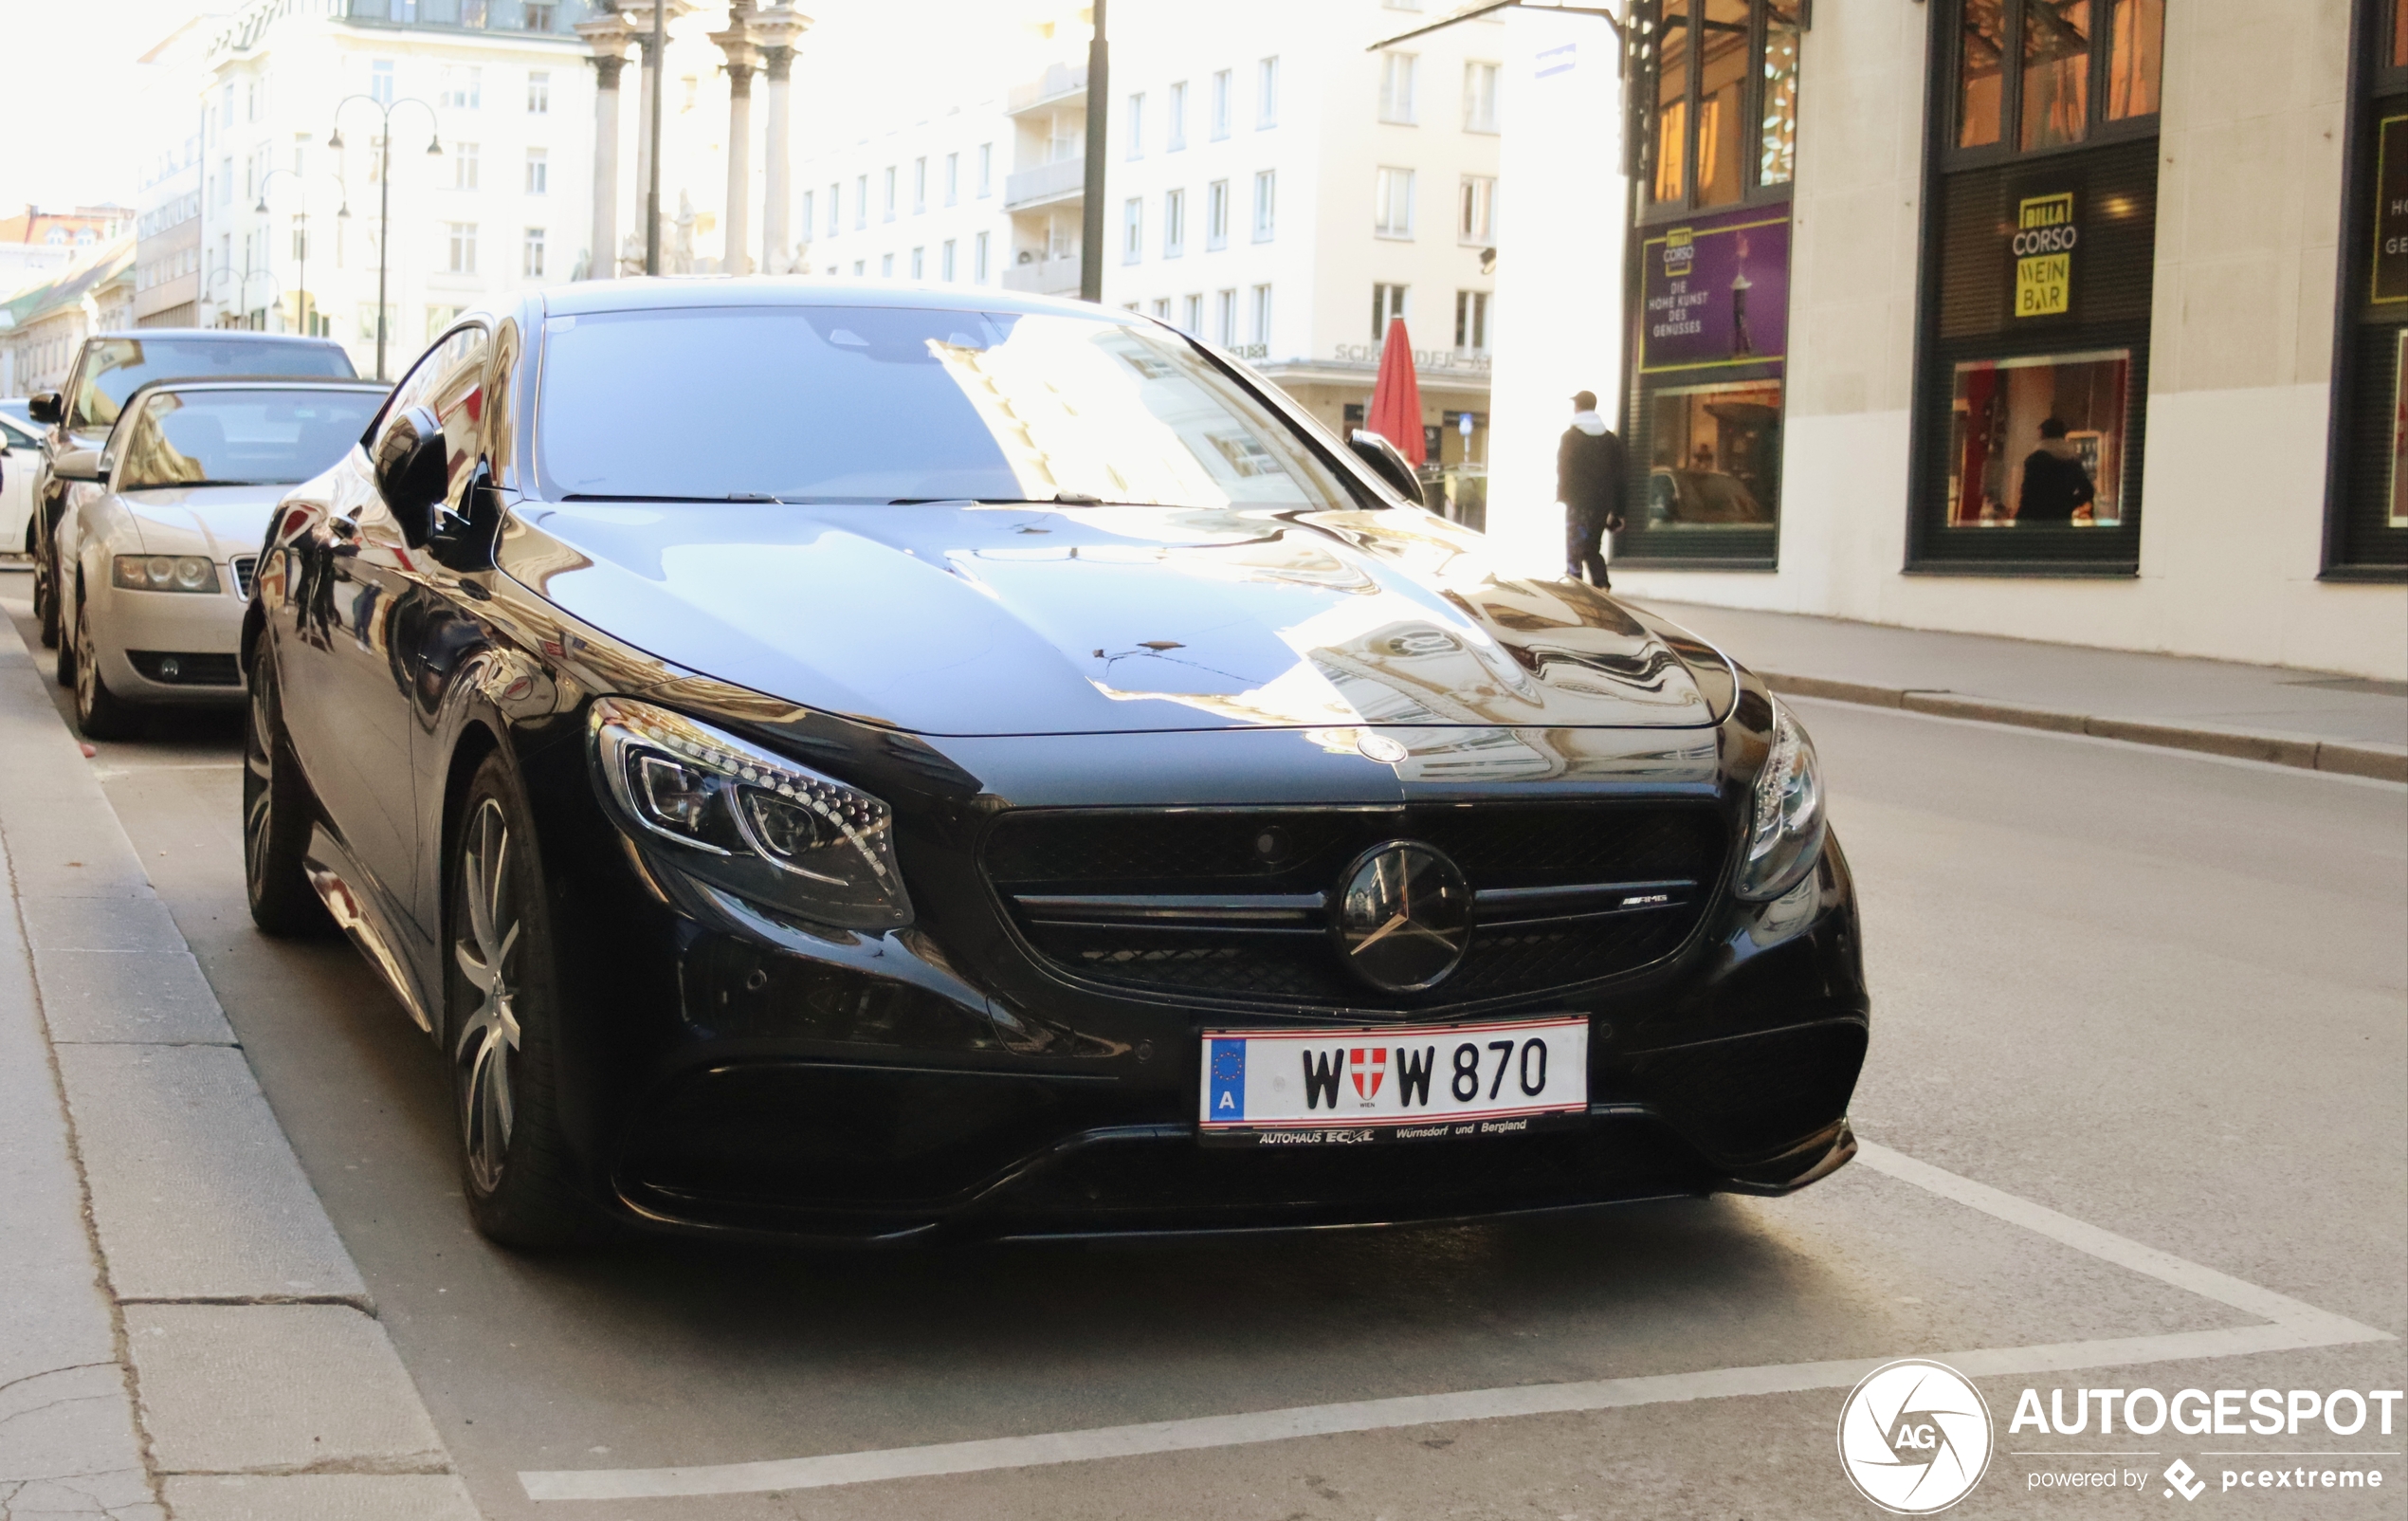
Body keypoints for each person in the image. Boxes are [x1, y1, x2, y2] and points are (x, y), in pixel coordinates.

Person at [1558, 390, 1628, 586]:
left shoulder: (1570, 437)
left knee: (1574, 550)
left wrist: (1563, 495)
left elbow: (1563, 469)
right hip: (1601, 504)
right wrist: (1619, 511)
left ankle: (1575, 588)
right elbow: (1620, 476)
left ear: (1578, 407)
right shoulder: (1610, 440)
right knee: (1591, 547)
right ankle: (1601, 584)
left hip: (1577, 503)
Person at [2014, 416, 2096, 524]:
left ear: (2043, 434)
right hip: (2061, 519)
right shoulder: (2072, 461)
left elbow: (2028, 494)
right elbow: (2088, 490)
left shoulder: (2036, 460)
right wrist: (2068, 503)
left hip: (2034, 519)